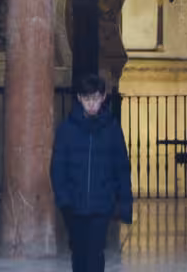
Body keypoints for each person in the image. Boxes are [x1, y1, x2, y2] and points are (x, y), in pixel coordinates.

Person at [50, 74, 132, 272]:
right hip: (74, 205)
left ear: (103, 97)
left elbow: (122, 168)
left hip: (102, 204)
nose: (92, 104)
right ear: (79, 98)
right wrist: (64, 199)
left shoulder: (112, 129)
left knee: (95, 252)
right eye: (87, 99)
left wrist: (124, 203)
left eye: (95, 98)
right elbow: (57, 168)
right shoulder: (66, 130)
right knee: (79, 252)